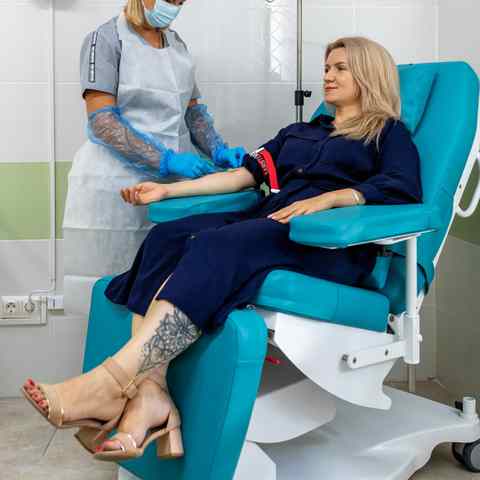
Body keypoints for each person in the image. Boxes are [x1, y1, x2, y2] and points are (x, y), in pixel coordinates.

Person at [23, 37, 422, 462]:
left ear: (368, 74)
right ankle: (151, 394)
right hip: (271, 226)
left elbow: (403, 188)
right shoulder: (300, 132)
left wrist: (333, 198)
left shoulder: (387, 133)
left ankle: (110, 382)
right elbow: (242, 177)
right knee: (168, 237)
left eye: (340, 68)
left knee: (220, 244)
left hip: (326, 243)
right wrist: (166, 190)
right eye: (327, 67)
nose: (327, 75)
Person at [62, 0, 246, 315]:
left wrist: (217, 149)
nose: (175, 6)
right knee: (113, 291)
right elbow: (103, 122)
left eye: (180, 1)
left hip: (171, 190)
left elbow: (193, 112)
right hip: (115, 186)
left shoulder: (176, 44)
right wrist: (165, 159)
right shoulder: (105, 40)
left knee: (163, 291)